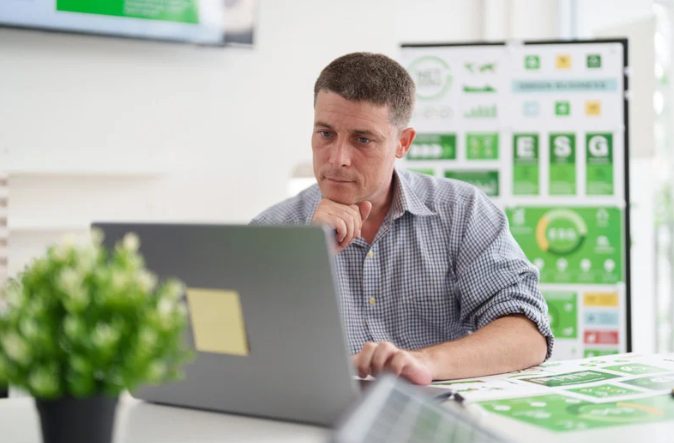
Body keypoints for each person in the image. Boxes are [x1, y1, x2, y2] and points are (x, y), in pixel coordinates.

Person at [252, 52, 553, 385]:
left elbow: (528, 335)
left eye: (362, 139)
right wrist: (304, 257)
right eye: (325, 134)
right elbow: (244, 353)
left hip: (436, 409)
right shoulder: (271, 230)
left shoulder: (461, 211)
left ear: (403, 143)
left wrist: (423, 362)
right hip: (320, 413)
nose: (338, 159)